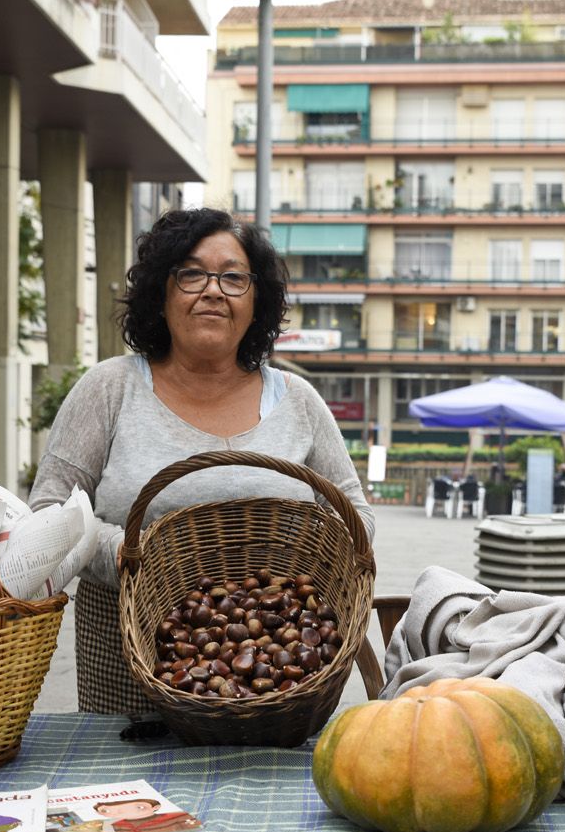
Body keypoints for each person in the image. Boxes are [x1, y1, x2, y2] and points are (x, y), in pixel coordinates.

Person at [29, 208, 375, 714]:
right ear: (160, 295)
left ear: (257, 302)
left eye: (233, 277)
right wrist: (138, 556)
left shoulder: (300, 401)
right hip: (131, 687)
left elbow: (357, 518)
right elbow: (46, 515)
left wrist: (297, 556)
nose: (213, 290)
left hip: (276, 692)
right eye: (191, 274)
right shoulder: (108, 389)